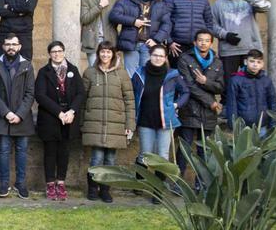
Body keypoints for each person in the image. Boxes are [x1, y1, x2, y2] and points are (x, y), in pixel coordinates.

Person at [131, 44, 190, 203]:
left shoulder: (173, 74)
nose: (158, 58)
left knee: (162, 156)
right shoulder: (139, 73)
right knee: (145, 154)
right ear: (150, 55)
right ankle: (138, 183)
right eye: (155, 55)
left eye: (161, 56)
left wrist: (177, 105)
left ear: (165, 58)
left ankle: (158, 189)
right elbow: (131, 93)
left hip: (165, 120)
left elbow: (185, 92)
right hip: (145, 120)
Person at [81, 41, 135, 203]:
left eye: (108, 52)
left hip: (115, 123)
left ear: (114, 54)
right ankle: (92, 188)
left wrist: (129, 125)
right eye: (102, 52)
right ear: (98, 54)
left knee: (110, 160)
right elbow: (83, 99)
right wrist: (82, 123)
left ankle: (105, 190)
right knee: (96, 158)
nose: (105, 55)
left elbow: (130, 101)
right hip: (95, 123)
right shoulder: (90, 73)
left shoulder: (122, 74)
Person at [35, 41, 85, 201]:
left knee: (64, 151)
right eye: (53, 51)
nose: (57, 54)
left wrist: (71, 111)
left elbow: (80, 93)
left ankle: (61, 183)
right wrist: (59, 113)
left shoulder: (73, 70)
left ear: (64, 52)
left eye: (59, 51)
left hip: (69, 117)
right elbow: (40, 95)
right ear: (49, 54)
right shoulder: (44, 72)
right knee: (50, 152)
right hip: (50, 117)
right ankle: (50, 184)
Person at [0, 33, 35, 199]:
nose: (11, 47)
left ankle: (21, 184)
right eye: (8, 44)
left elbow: (30, 93)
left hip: (22, 118)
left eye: (14, 44)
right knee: (4, 151)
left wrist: (19, 114)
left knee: (22, 152)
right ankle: (4, 184)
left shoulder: (27, 66)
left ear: (19, 47)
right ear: (3, 46)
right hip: (2, 118)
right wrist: (6, 113)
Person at [175, 29, 224, 183]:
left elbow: (220, 87)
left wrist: (206, 82)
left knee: (205, 150)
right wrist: (210, 102)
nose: (203, 43)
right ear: (195, 42)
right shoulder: (184, 59)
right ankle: (178, 182)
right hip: (189, 109)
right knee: (184, 149)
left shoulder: (217, 62)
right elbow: (188, 86)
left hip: (208, 114)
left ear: (211, 43)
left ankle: (201, 184)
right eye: (200, 40)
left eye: (207, 40)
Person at [211, 0, 270, 92]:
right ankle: (229, 110)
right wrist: (225, 35)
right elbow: (212, 25)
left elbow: (266, 6)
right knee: (229, 85)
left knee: (252, 85)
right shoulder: (217, 4)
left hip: (250, 49)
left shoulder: (249, 0)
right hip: (228, 51)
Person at [109, 0, 171, 77]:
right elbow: (114, 16)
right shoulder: (126, 1)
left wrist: (156, 40)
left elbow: (167, 24)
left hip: (149, 44)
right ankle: (132, 95)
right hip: (131, 44)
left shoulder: (159, 3)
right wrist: (133, 21)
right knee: (131, 76)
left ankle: (142, 95)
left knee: (146, 75)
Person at [163, 0, 229, 66]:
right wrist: (169, 41)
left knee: (197, 76)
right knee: (177, 76)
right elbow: (164, 20)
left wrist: (207, 40)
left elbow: (209, 21)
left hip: (198, 45)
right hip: (176, 45)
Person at [226, 49, 276, 136]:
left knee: (262, 149)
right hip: (243, 126)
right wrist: (234, 125)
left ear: (262, 64)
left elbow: (272, 102)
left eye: (258, 62)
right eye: (252, 61)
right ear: (246, 62)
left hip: (263, 126)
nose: (255, 64)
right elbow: (232, 104)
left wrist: (273, 123)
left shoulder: (266, 81)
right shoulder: (236, 80)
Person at [80, 0, 119, 66]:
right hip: (92, 40)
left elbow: (117, 17)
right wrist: (100, 6)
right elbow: (84, 18)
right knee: (94, 71)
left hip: (109, 39)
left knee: (111, 70)